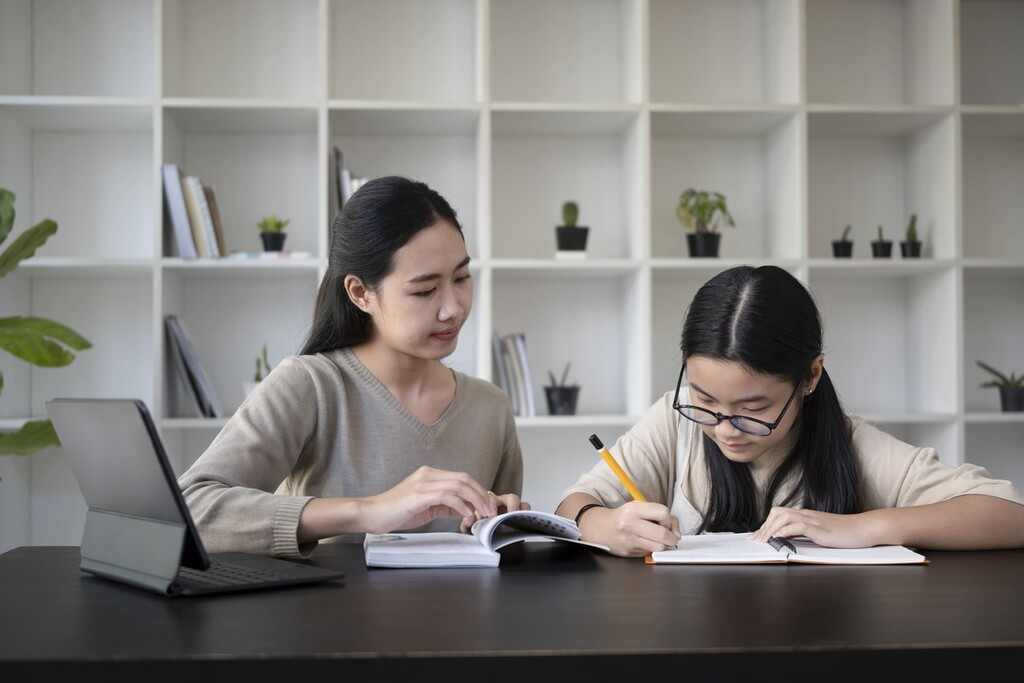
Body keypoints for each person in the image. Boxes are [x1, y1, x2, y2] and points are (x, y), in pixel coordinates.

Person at [555, 264, 1024, 558]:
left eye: (751, 409)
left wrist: (864, 527)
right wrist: (606, 525)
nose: (724, 429)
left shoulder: (852, 444)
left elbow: (1010, 512)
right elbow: (572, 505)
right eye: (705, 401)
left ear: (811, 377)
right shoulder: (675, 425)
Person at [179, 176, 527, 558]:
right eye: (425, 290)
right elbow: (191, 510)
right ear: (360, 293)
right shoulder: (310, 386)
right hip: (330, 618)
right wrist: (370, 511)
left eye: (461, 278)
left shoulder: (489, 408)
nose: (453, 308)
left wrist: (499, 523)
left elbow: (497, 559)